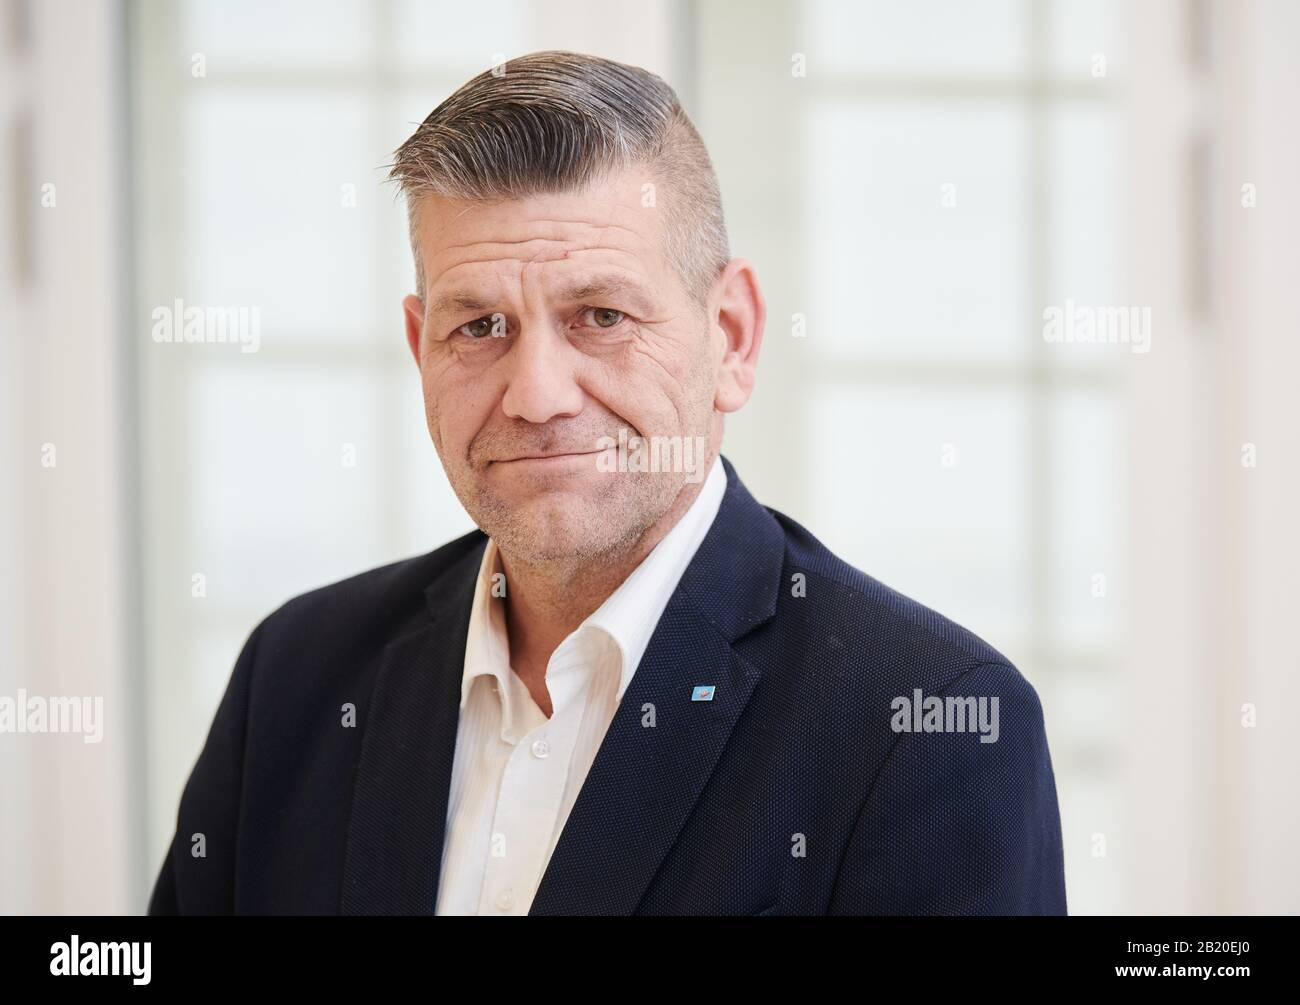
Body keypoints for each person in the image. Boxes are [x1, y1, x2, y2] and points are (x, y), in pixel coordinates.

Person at [148, 50, 1066, 915]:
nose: (538, 396)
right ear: (419, 348)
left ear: (732, 337)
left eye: (600, 315)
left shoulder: (931, 728)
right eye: (479, 327)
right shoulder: (297, 675)